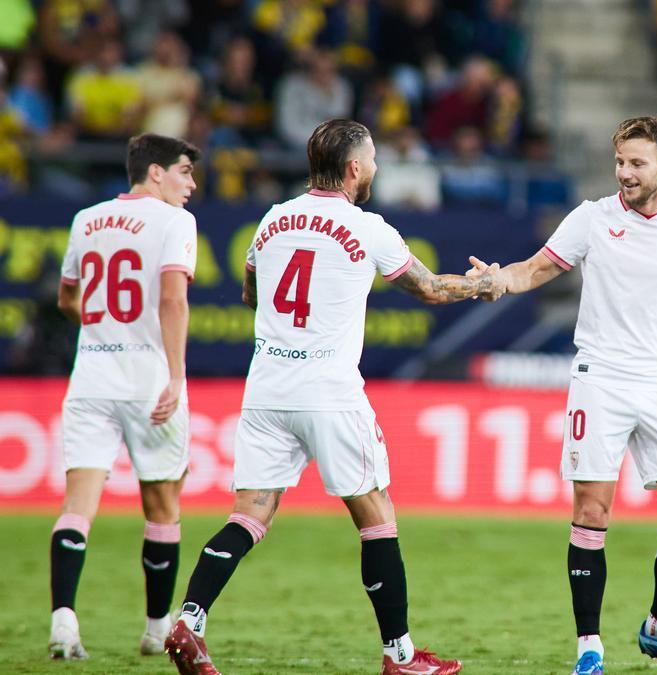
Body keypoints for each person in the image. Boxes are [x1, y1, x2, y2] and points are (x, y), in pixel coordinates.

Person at [164, 119, 502, 675]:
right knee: (377, 517)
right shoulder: (367, 227)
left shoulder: (272, 220)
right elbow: (432, 288)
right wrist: (484, 284)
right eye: (370, 158)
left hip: (267, 385)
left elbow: (251, 291)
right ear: (352, 168)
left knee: (248, 516)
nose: (374, 166)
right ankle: (400, 656)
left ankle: (190, 620)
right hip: (329, 389)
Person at [471, 116, 657, 675]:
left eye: (637, 163)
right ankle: (589, 649)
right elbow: (535, 270)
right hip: (601, 377)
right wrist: (502, 279)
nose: (624, 172)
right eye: (620, 161)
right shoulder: (593, 219)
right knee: (592, 510)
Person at [50, 133, 200, 659]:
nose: (192, 184)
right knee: (162, 509)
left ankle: (63, 623)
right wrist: (177, 377)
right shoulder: (175, 222)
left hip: (91, 377)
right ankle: (157, 629)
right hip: (148, 380)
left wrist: (101, 324)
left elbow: (68, 298)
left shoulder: (86, 219)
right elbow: (173, 298)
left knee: (77, 507)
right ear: (155, 172)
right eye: (184, 171)